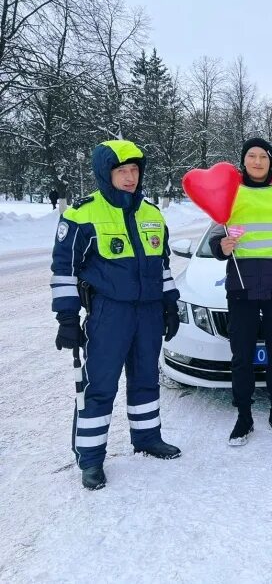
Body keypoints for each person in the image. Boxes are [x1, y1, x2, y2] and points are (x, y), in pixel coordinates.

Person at [50, 140, 181, 490]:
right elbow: (65, 270)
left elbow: (163, 266)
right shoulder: (82, 214)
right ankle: (91, 459)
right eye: (122, 170)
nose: (130, 177)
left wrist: (171, 304)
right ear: (106, 173)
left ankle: (147, 437)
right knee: (100, 385)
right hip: (110, 314)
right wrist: (66, 318)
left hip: (149, 312)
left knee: (145, 379)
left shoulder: (152, 214)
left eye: (135, 170)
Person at [208, 138, 272, 446]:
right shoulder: (228, 194)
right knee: (242, 356)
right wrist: (220, 247)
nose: (256, 161)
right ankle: (244, 417)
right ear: (243, 161)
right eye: (250, 156)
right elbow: (216, 236)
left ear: (270, 160)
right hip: (241, 287)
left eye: (262, 156)